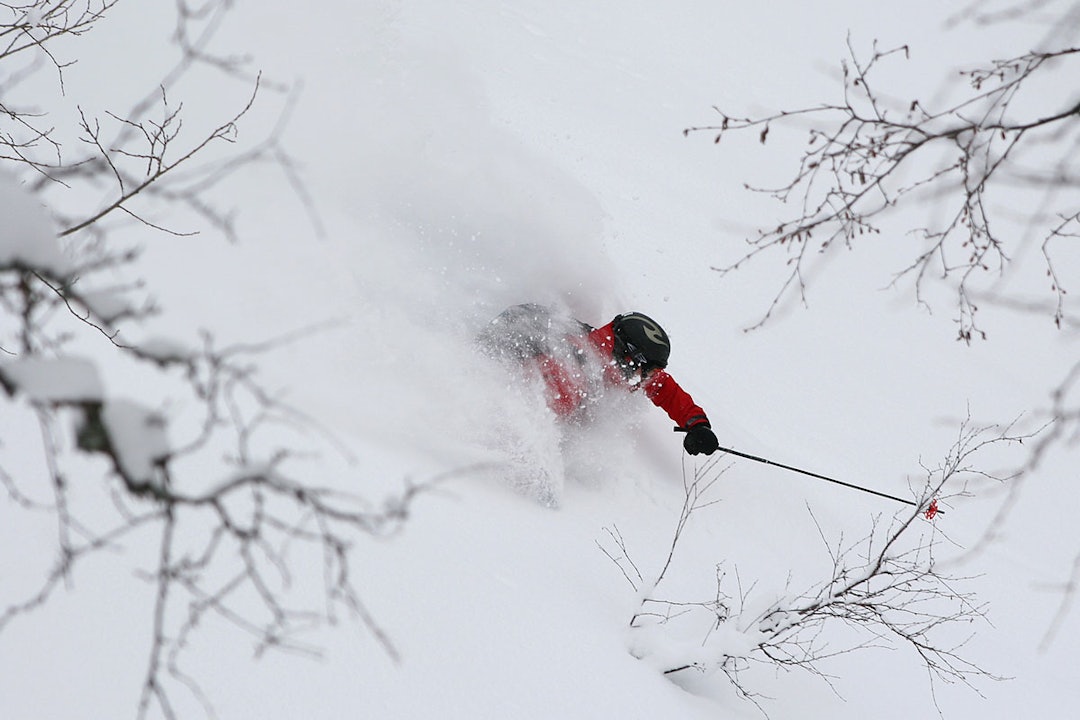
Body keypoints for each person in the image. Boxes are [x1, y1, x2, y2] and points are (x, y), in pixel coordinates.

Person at [478, 304, 720, 456]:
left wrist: (697, 425)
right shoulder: (571, 372)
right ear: (628, 357)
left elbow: (665, 388)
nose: (647, 380)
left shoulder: (608, 360)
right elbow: (527, 418)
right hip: (496, 355)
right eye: (646, 371)